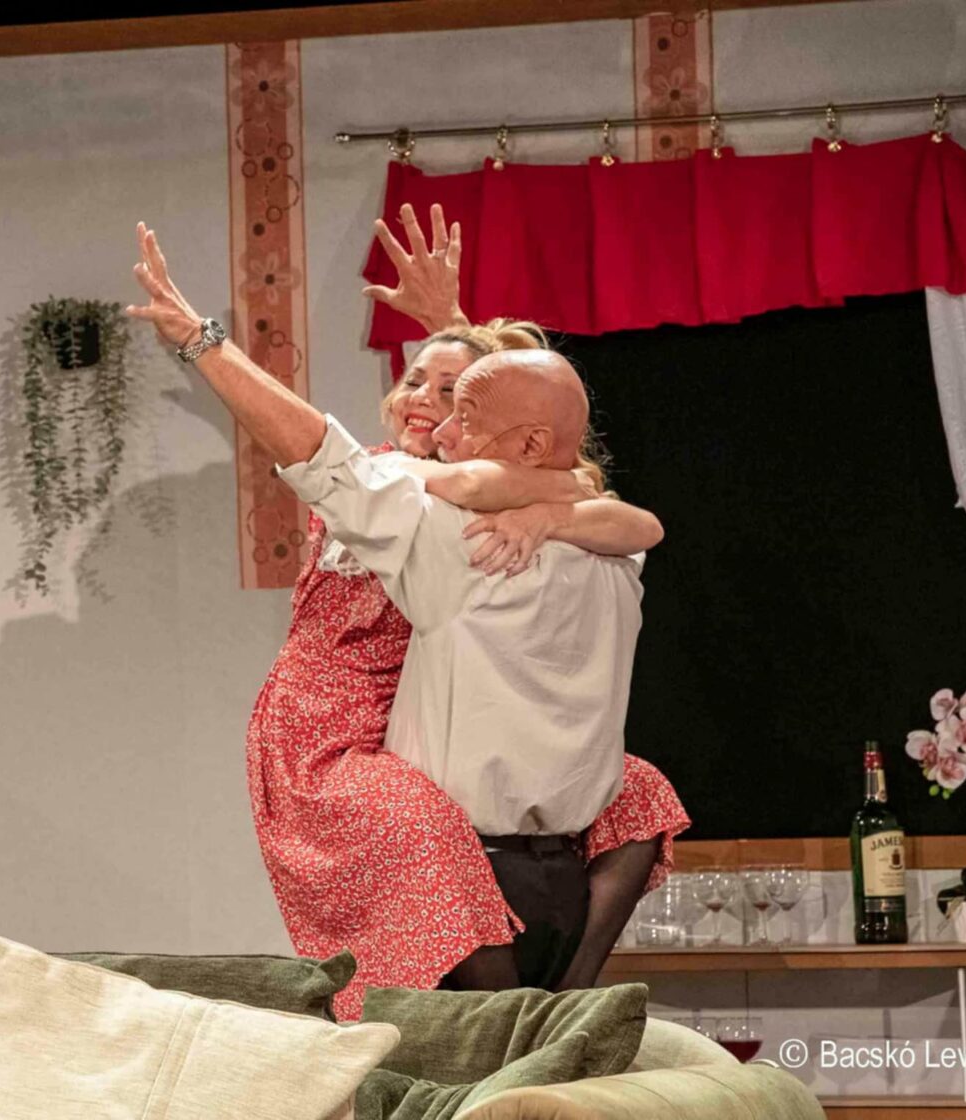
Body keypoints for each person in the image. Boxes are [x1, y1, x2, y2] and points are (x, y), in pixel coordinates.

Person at [126, 219, 680, 1014]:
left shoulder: (513, 493)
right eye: (416, 381)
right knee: (427, 828)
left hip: (407, 714)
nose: (428, 405)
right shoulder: (404, 482)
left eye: (452, 395)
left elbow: (611, 505)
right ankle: (497, 1017)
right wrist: (203, 342)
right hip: (329, 720)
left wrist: (547, 510)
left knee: (633, 790)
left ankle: (565, 1000)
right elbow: (335, 455)